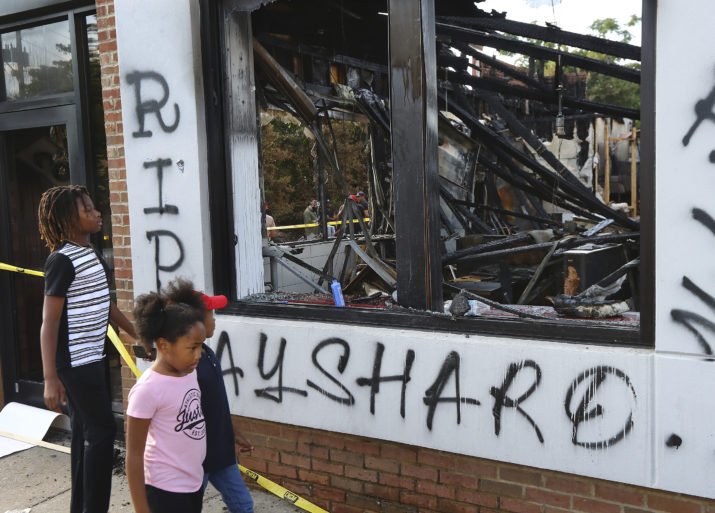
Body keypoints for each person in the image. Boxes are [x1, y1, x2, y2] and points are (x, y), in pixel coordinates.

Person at [38, 184, 137, 513]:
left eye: (95, 208)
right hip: (74, 363)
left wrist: (134, 332)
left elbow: (104, 303)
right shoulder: (61, 260)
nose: (97, 214)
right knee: (102, 432)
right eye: (88, 210)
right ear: (68, 218)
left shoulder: (90, 253)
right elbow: (48, 323)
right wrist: (50, 378)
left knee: (85, 433)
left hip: (93, 357)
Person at [165, 279, 255, 513]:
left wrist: (234, 433)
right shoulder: (186, 365)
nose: (215, 319)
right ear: (194, 321)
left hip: (222, 455)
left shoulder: (206, 353)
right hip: (197, 461)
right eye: (211, 314)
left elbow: (216, 404)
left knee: (244, 506)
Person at [126, 293, 207, 513]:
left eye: (201, 346)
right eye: (192, 348)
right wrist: (142, 509)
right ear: (164, 345)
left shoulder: (189, 373)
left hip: (193, 483)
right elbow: (133, 455)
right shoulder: (147, 390)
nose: (198, 355)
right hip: (164, 491)